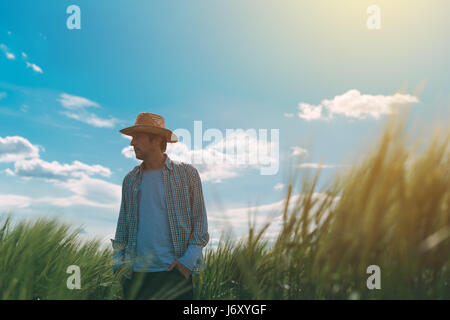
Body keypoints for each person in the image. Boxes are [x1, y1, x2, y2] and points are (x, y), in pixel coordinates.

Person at [111, 112, 209, 300]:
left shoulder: (187, 174)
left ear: (156, 139)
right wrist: (118, 263)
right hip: (135, 276)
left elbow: (200, 224)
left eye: (137, 137)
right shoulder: (130, 180)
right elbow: (122, 225)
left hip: (175, 274)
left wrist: (186, 263)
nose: (132, 143)